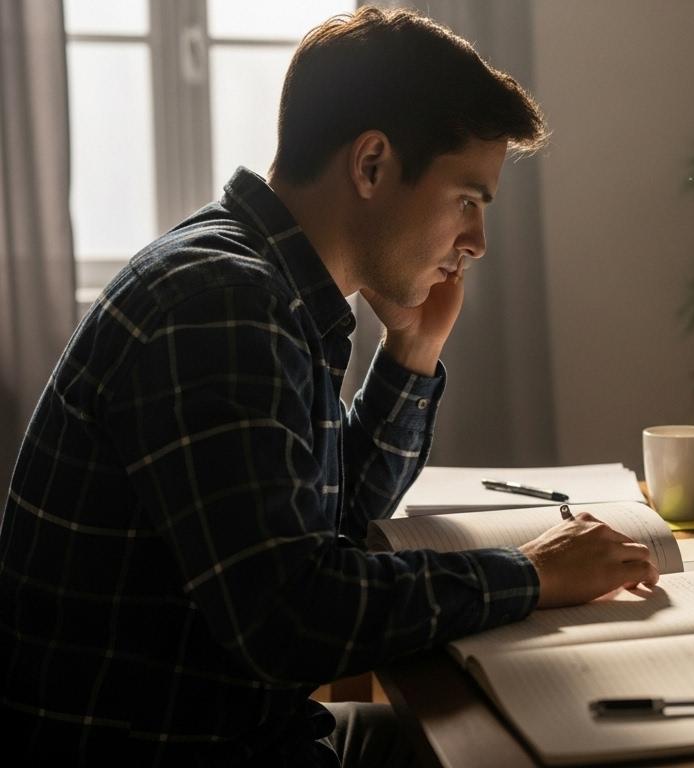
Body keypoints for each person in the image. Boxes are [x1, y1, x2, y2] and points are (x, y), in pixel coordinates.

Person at [0, 7, 658, 766]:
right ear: (372, 164)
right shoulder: (221, 304)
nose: (476, 242)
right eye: (468, 200)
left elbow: (328, 529)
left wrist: (412, 354)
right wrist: (534, 573)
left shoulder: (257, 285)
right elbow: (293, 616)